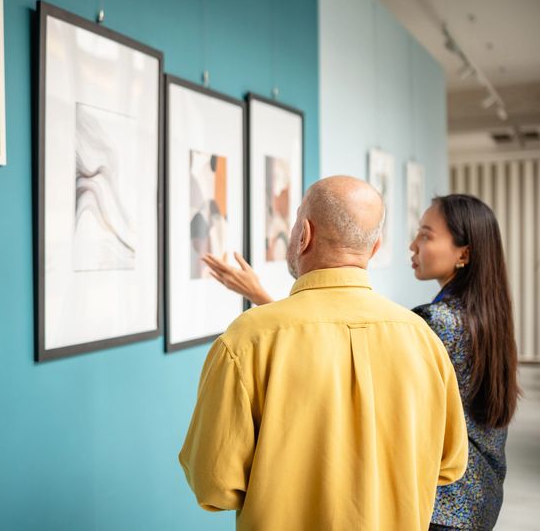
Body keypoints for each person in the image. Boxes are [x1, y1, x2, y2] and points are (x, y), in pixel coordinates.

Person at [202, 191, 520, 530]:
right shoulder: (474, 317)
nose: (413, 245)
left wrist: (265, 310)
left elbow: (338, 358)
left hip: (440, 510)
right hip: (479, 496)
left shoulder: (434, 325)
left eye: (426, 235)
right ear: (375, 245)